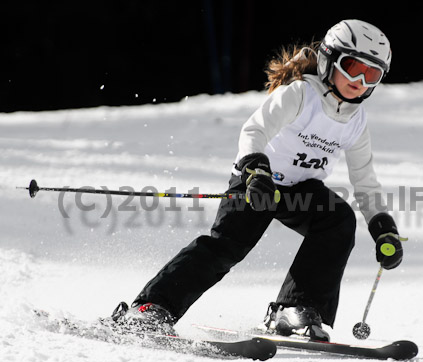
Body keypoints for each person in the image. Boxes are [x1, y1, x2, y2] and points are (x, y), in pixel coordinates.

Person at [111, 19, 405, 341]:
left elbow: (364, 180)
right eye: (351, 67)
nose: (359, 80)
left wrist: (382, 226)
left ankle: (294, 310)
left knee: (337, 220)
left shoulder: (356, 121)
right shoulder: (301, 94)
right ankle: (150, 308)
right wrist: (255, 169)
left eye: (371, 74)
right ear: (327, 60)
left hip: (299, 191)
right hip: (258, 182)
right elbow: (254, 131)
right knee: (227, 246)